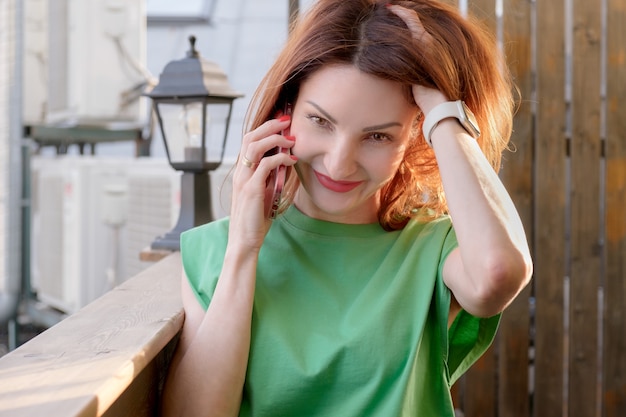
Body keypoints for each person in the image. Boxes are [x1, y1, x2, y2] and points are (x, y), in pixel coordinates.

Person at [161, 0, 533, 416]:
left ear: (414, 136)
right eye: (320, 121)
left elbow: (498, 274)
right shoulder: (216, 252)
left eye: (377, 136)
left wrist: (443, 111)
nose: (339, 163)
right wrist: (244, 248)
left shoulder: (434, 248)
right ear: (286, 114)